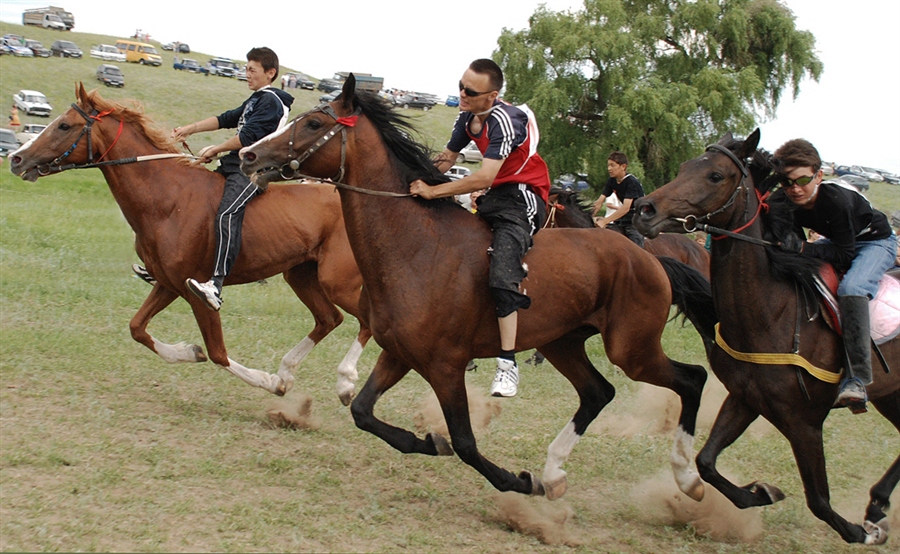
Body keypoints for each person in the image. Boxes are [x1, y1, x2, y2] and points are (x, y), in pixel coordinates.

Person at [410, 58, 550, 398]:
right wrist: (411, 178)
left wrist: (432, 192)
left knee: (501, 273)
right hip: (493, 198)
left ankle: (508, 364)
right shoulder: (466, 118)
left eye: (470, 92)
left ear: (492, 96)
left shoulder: (504, 120)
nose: (462, 94)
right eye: (461, 86)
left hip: (522, 199)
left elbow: (485, 177)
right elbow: (447, 159)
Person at [772, 138, 897, 413]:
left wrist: (804, 248)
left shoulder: (837, 201)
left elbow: (844, 253)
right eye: (786, 182)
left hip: (876, 242)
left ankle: (857, 380)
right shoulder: (783, 199)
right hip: (838, 241)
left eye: (803, 180)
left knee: (852, 288)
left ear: (819, 175)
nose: (795, 189)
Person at [172, 46, 293, 310]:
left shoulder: (272, 101)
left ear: (270, 72)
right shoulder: (256, 99)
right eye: (246, 69)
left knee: (227, 213)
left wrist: (215, 149)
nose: (246, 74)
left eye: (252, 70)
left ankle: (216, 284)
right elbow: (226, 118)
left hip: (253, 171)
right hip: (233, 165)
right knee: (200, 207)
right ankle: (170, 269)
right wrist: (190, 129)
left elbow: (248, 137)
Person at [591, 151, 645, 247]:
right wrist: (589, 218)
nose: (609, 169)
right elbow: (599, 202)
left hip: (636, 220)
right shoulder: (612, 181)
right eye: (608, 165)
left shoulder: (631, 182)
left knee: (634, 248)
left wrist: (604, 221)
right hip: (622, 220)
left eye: (612, 165)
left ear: (623, 167)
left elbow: (625, 208)